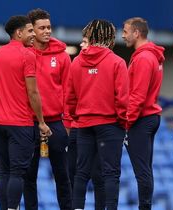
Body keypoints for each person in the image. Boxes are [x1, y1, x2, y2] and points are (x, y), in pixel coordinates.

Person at [0, 15, 52, 210]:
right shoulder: (27, 55)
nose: (33, 34)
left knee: (4, 172)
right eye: (30, 30)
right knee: (18, 173)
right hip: (20, 123)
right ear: (19, 33)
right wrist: (42, 122)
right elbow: (33, 92)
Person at [66, 19, 128, 210]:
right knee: (110, 173)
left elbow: (69, 97)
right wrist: (123, 122)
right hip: (110, 124)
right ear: (109, 37)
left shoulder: (76, 62)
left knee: (81, 172)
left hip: (84, 124)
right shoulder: (117, 62)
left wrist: (77, 115)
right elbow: (123, 98)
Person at [23, 8, 72, 210]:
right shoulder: (24, 54)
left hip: (55, 123)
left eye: (49, 27)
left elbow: (70, 91)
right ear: (31, 30)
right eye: (41, 28)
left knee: (62, 175)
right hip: (28, 123)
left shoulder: (62, 56)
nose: (47, 31)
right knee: (28, 177)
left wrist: (67, 122)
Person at [122, 17, 164, 210]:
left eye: (125, 31)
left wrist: (126, 123)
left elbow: (138, 96)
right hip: (148, 117)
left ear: (136, 33)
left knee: (142, 171)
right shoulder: (149, 56)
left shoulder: (144, 58)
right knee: (145, 170)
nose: (123, 35)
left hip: (141, 119)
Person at [66, 35, 105, 210]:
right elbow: (69, 95)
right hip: (77, 127)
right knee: (76, 175)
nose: (81, 44)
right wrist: (71, 119)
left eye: (85, 41)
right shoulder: (76, 64)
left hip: (91, 127)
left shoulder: (105, 65)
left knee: (98, 175)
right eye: (81, 40)